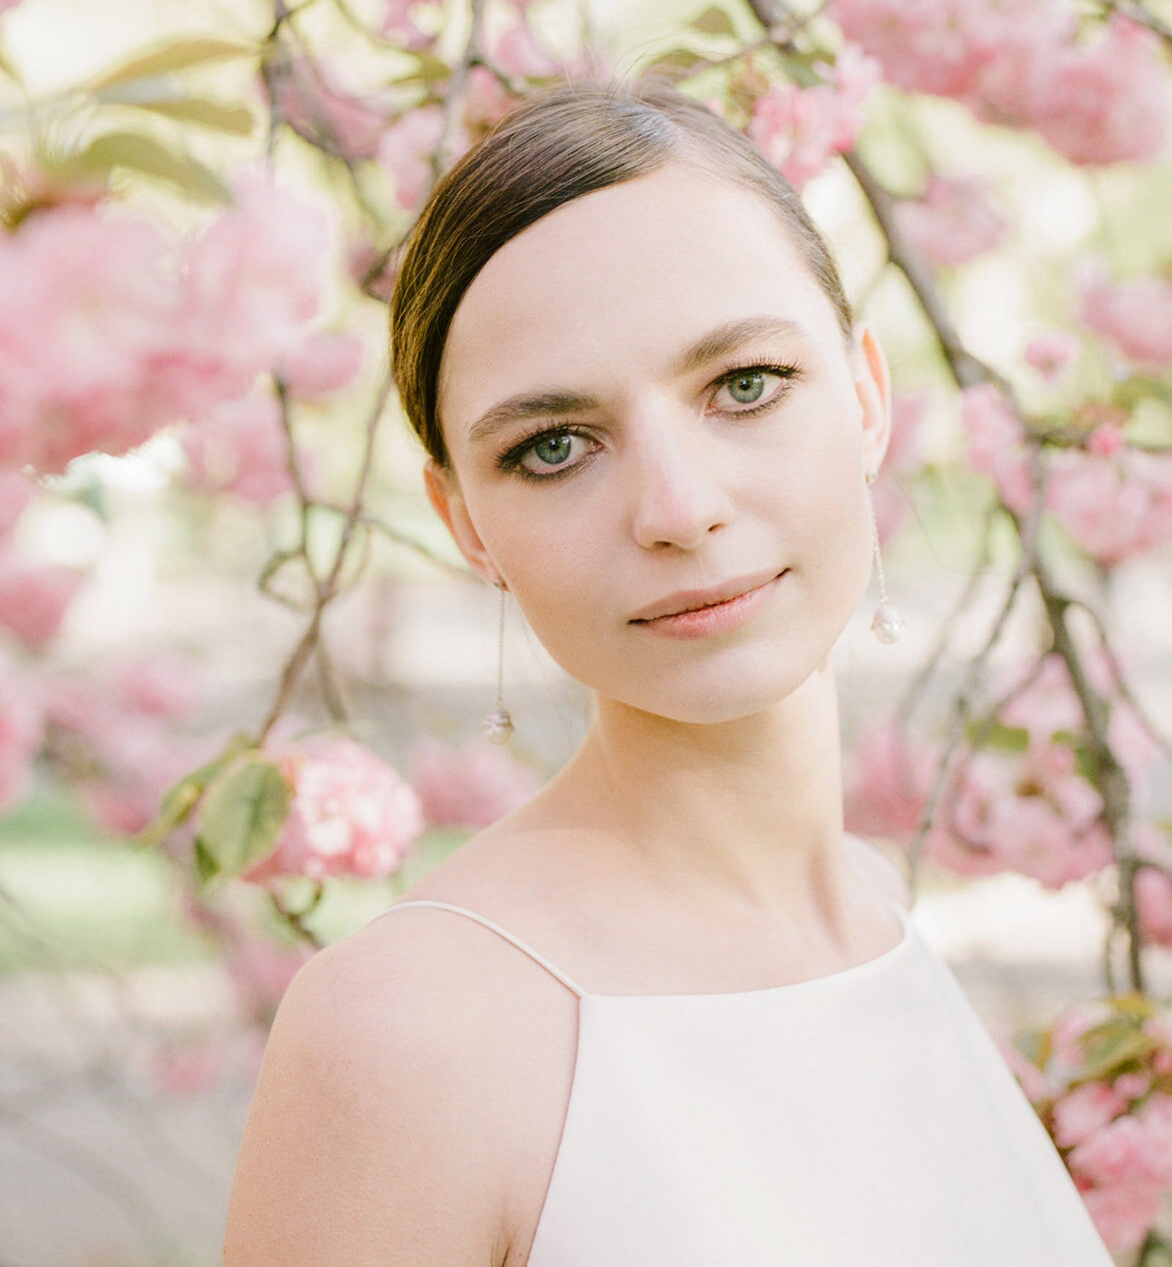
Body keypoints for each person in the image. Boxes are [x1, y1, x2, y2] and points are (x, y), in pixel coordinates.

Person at [222, 82, 1114, 1266]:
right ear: (466, 523)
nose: (678, 509)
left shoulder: (873, 915)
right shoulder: (409, 1034)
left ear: (863, 395)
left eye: (743, 385)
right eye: (553, 446)